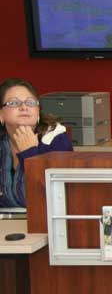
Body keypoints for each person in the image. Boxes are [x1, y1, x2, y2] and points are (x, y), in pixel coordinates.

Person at [0, 78, 73, 208]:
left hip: (45, 224)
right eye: (14, 103)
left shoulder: (56, 139)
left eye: (30, 102)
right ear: (1, 114)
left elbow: (56, 195)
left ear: (38, 111)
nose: (23, 107)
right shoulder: (3, 143)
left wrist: (30, 153)